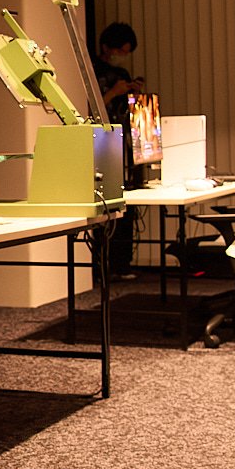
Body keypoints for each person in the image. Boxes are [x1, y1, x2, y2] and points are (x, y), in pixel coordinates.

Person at [93, 22, 142, 278]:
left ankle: (123, 263)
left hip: (123, 143)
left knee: (125, 204)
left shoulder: (121, 72)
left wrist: (133, 94)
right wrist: (114, 92)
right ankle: (102, 266)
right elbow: (90, 108)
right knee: (104, 206)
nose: (122, 56)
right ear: (106, 47)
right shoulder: (92, 70)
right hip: (99, 144)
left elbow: (128, 111)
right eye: (120, 51)